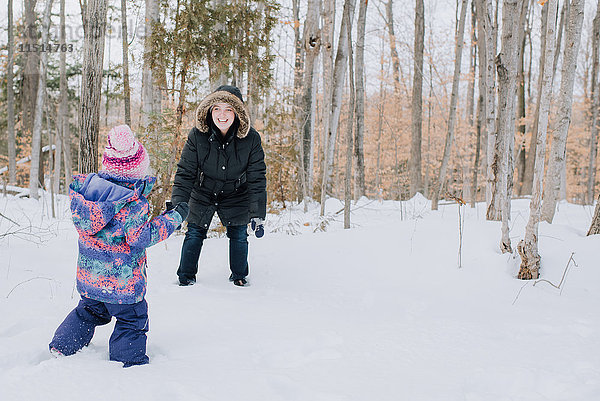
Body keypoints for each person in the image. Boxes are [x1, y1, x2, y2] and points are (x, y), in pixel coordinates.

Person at [49, 125, 189, 367]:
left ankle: (62, 345)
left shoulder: (89, 195)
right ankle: (128, 361)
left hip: (90, 279)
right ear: (136, 171)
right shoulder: (132, 203)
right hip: (123, 285)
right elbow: (142, 237)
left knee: (88, 312)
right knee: (132, 319)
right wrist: (173, 218)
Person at [171, 85, 267, 287]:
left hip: (236, 191)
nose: (222, 115)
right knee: (195, 232)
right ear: (209, 110)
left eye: (228, 109)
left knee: (239, 234)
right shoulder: (197, 136)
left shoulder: (251, 139)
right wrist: (178, 208)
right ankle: (185, 277)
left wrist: (257, 213)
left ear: (237, 113)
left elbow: (257, 178)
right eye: (217, 108)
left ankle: (239, 276)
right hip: (203, 190)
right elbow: (185, 173)